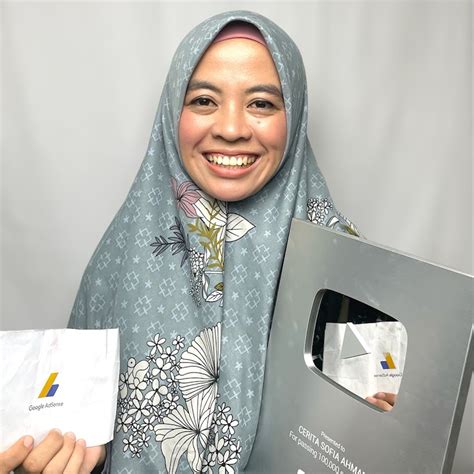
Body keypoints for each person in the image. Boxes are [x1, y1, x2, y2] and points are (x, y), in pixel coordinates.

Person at [2, 10, 390, 473]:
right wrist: (67, 457)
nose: (231, 128)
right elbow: (79, 432)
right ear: (173, 113)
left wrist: (379, 420)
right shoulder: (120, 261)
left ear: (295, 115)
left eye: (261, 103)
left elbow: (386, 425)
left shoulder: (348, 270)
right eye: (204, 100)